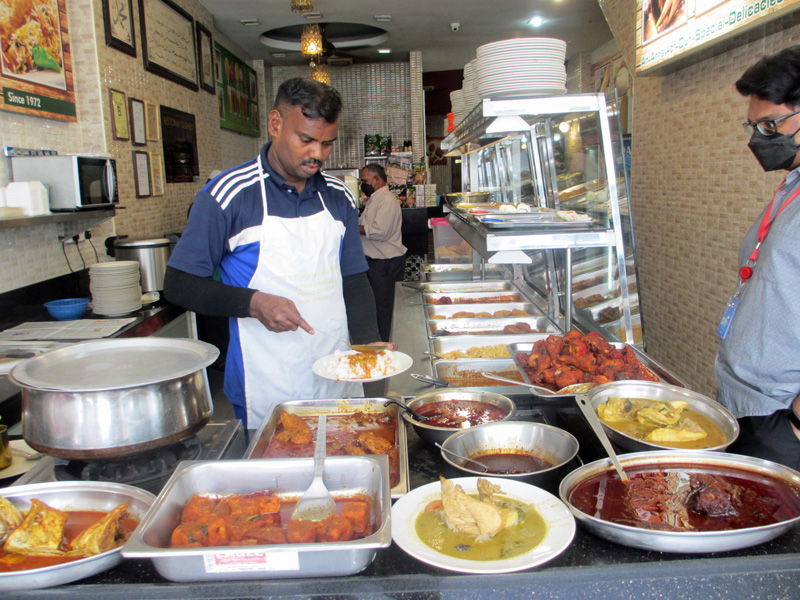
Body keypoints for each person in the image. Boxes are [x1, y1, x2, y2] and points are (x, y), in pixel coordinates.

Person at [164, 78, 384, 428]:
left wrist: (370, 346)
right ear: (275, 124)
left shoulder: (339, 196)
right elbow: (179, 284)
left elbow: (354, 278)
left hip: (337, 375)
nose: (317, 155)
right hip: (267, 383)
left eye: (327, 143)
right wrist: (253, 303)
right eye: (306, 140)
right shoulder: (227, 195)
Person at [715, 45, 800, 470]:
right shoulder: (793, 184)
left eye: (771, 125)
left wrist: (794, 424)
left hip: (780, 416)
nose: (760, 139)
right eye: (755, 126)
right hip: (747, 402)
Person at [358, 164, 407, 341]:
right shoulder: (374, 198)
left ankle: (386, 348)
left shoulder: (386, 200)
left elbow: (380, 231)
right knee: (377, 309)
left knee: (383, 311)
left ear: (376, 180)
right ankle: (381, 344)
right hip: (376, 262)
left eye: (365, 181)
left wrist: (356, 229)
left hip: (385, 264)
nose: (363, 185)